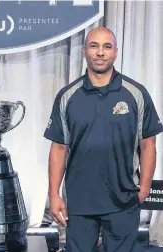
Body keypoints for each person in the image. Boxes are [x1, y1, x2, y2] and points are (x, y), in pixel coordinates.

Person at [44, 27, 163, 252]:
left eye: (107, 46)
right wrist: (54, 194)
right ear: (85, 52)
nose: (100, 52)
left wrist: (145, 187)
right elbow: (58, 148)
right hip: (80, 202)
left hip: (124, 200)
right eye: (94, 46)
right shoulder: (67, 96)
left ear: (115, 52)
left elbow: (148, 144)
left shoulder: (136, 93)